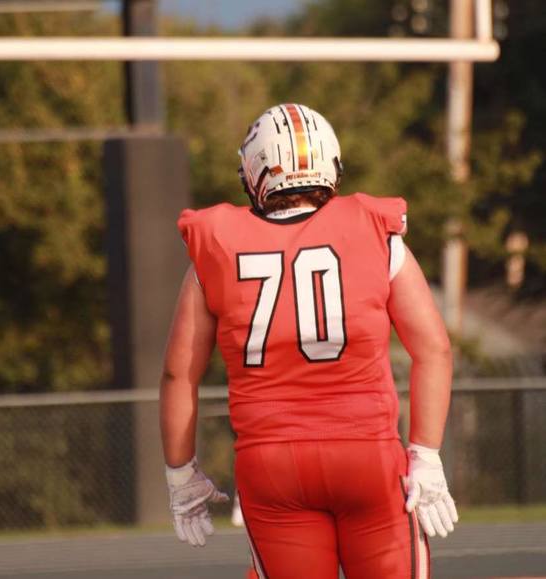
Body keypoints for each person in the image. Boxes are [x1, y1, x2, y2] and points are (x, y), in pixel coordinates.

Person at [160, 103, 458, 579]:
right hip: (367, 456)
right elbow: (434, 349)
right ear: (331, 165)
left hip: (272, 465)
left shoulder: (217, 244)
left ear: (254, 171)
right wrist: (425, 453)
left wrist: (181, 473)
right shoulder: (374, 230)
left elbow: (179, 374)